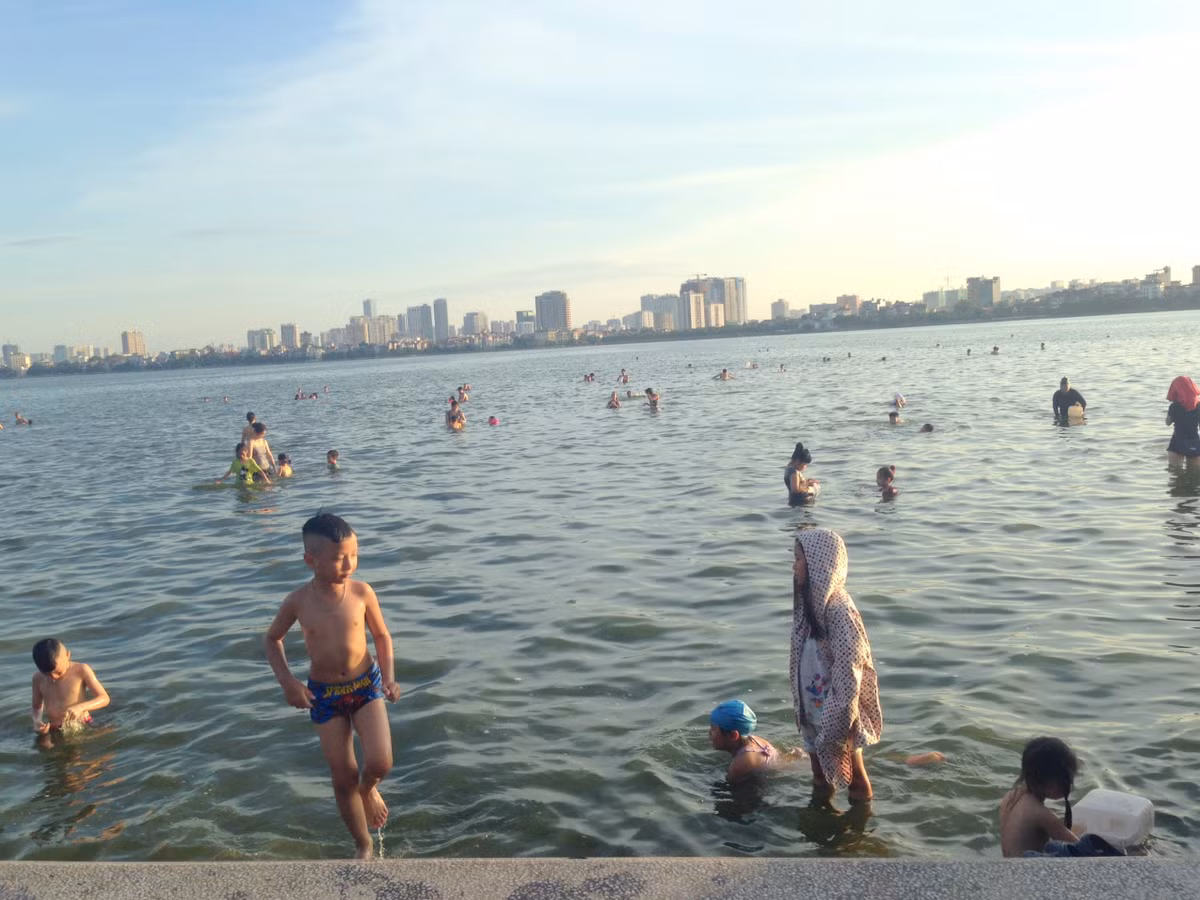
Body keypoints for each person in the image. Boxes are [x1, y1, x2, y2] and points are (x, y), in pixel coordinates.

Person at [264, 513, 403, 860]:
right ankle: (363, 844)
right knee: (343, 775)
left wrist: (388, 677)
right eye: (340, 557)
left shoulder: (362, 592)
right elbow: (272, 639)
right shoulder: (298, 601)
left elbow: (382, 636)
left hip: (365, 685)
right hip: (324, 695)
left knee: (380, 761)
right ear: (311, 560)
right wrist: (289, 683)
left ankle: (369, 790)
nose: (349, 564)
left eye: (354, 555)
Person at [789, 528, 882, 801]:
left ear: (819, 564)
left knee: (855, 778)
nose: (794, 567)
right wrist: (799, 705)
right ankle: (823, 831)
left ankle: (857, 835)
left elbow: (849, 672)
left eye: (798, 559)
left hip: (836, 712)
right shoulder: (808, 608)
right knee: (819, 777)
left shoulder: (840, 610)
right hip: (810, 707)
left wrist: (837, 721)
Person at [998, 736, 1125, 857]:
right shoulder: (1042, 815)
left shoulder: (1011, 796)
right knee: (1089, 844)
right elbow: (1082, 852)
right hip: (1027, 873)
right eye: (1069, 780)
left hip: (1010, 869)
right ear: (1052, 784)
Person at [31, 638, 110, 733]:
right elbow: (36, 707)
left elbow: (104, 698)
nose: (53, 677)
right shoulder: (37, 678)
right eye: (47, 674)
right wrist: (37, 721)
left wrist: (80, 707)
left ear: (68, 655)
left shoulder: (81, 670)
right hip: (54, 727)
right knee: (44, 745)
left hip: (82, 723)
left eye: (58, 672)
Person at [709, 700, 793, 783]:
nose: (709, 732)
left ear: (733, 735)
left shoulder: (738, 766)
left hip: (775, 777)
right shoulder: (756, 740)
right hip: (784, 764)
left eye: (713, 729)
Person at [1165, 375, 1200, 465]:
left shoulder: (1174, 406)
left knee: (1176, 474)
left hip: (1178, 441)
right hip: (1194, 441)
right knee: (1194, 475)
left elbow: (1167, 423)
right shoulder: (1198, 406)